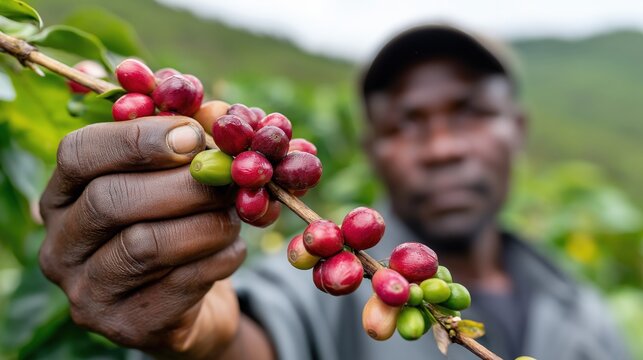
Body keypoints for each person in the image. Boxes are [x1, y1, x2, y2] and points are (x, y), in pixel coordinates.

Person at [38, 24, 630, 360]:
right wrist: (197, 335)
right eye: (407, 122)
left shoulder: (589, 314)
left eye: (470, 112)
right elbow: (247, 334)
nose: (443, 145)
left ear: (518, 132)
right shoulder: (327, 274)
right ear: (373, 147)